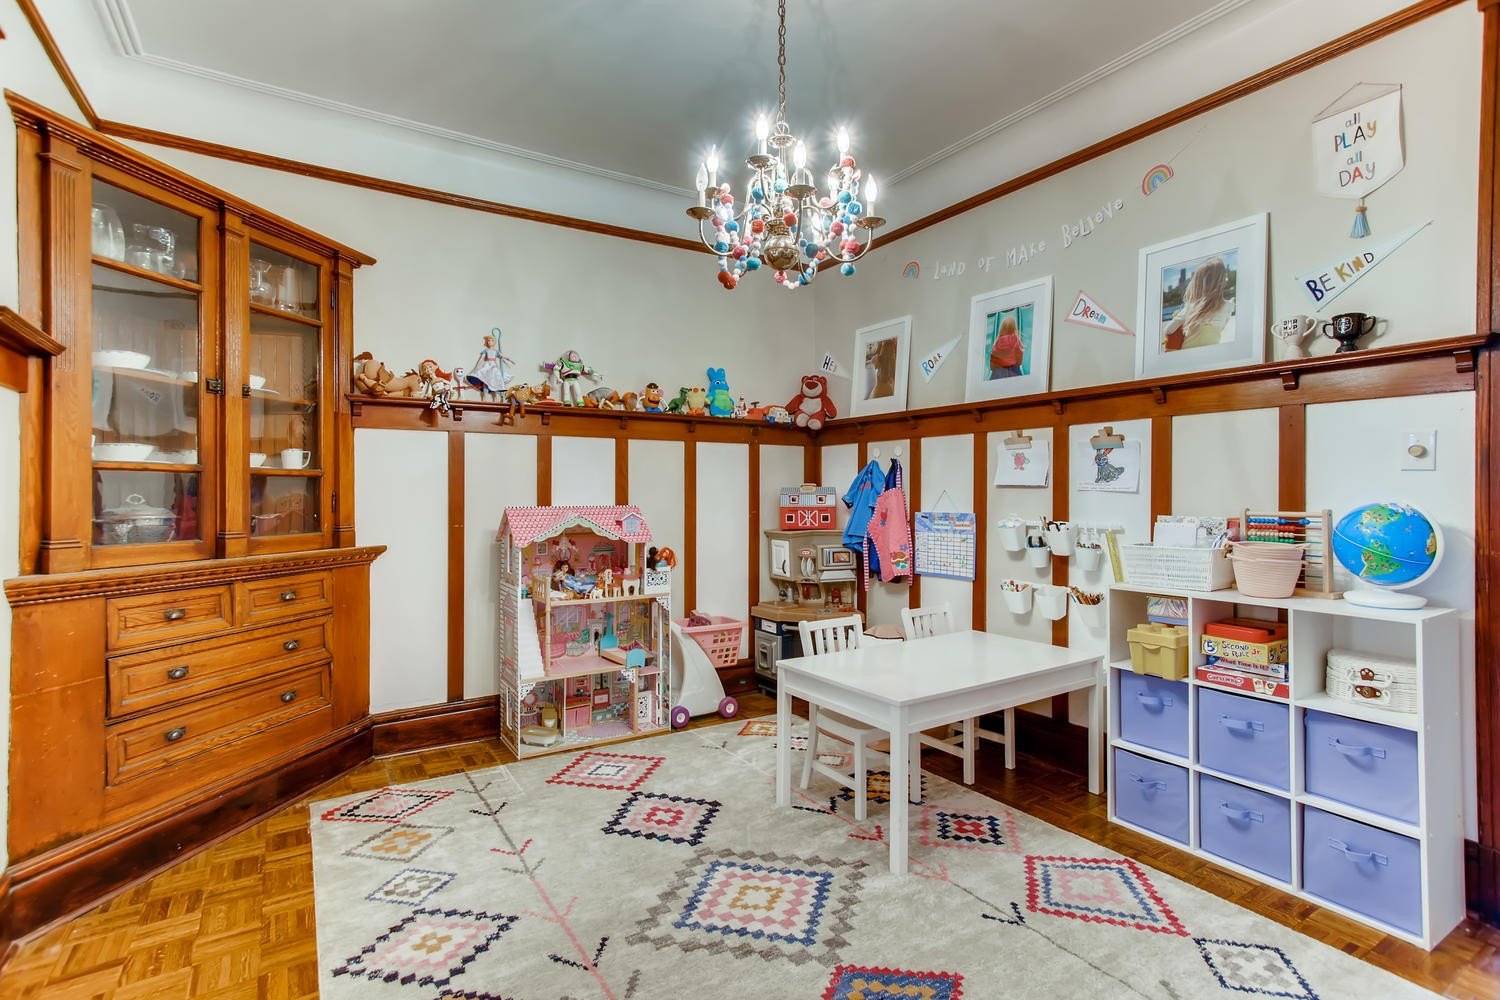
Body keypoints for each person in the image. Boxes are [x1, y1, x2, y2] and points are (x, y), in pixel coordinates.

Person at [1162, 257, 1235, 351]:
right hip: (1212, 353)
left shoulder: (1190, 308)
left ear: (1197, 284)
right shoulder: (1229, 306)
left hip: (1188, 355)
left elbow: (1168, 330)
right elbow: (1221, 328)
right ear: (1223, 280)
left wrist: (1181, 320)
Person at [988, 314, 1025, 378]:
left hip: (998, 372)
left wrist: (995, 369)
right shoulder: (1015, 340)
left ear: (1002, 329)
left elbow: (992, 364)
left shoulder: (997, 342)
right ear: (1014, 328)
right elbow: (1019, 361)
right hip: (1013, 371)